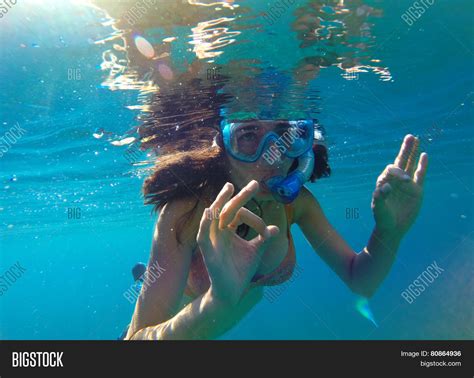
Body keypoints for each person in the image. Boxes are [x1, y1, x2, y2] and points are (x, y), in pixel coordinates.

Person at [123, 116, 428, 340]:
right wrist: (216, 301)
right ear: (223, 147)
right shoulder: (186, 212)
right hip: (183, 316)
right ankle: (146, 276)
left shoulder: (297, 204)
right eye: (248, 135)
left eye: (284, 134)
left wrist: (389, 232)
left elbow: (360, 279)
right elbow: (138, 340)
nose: (273, 154)